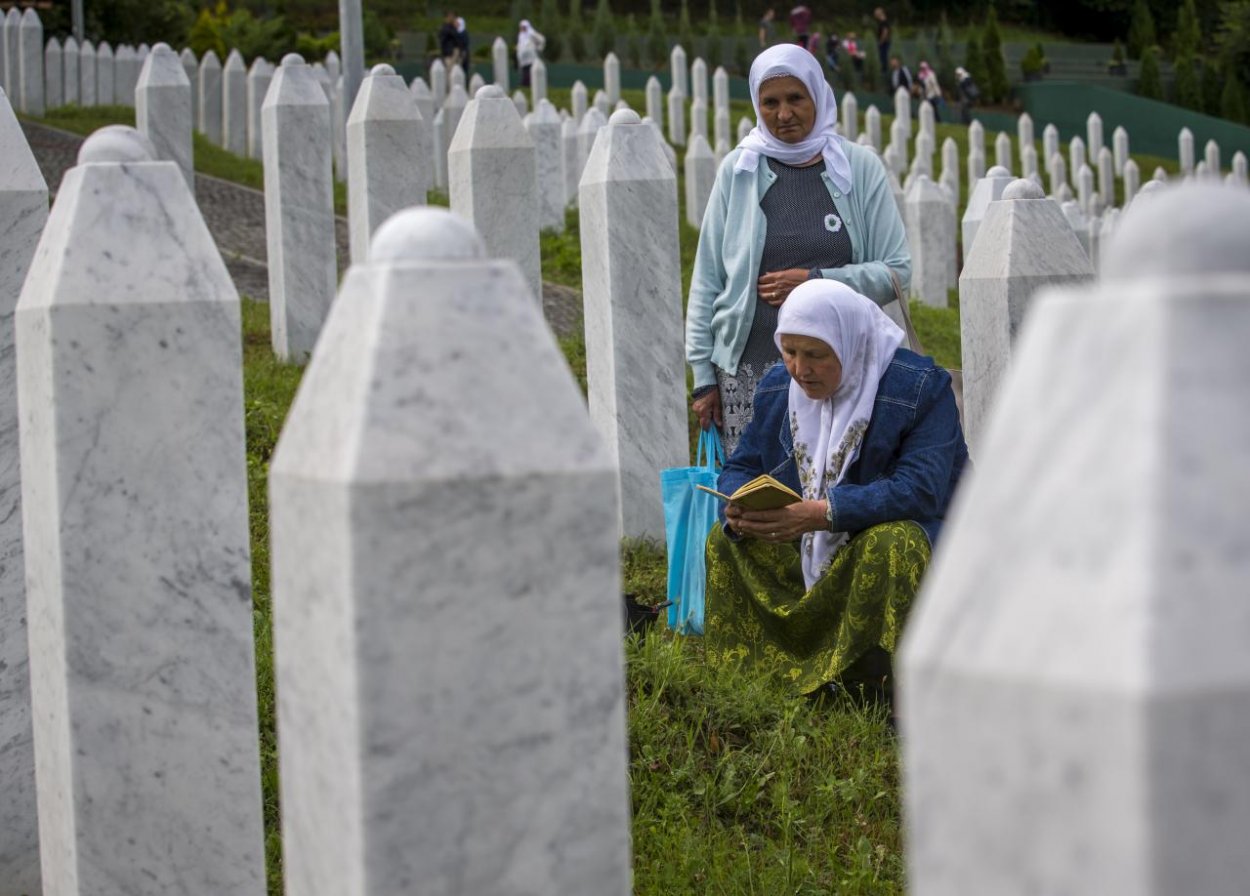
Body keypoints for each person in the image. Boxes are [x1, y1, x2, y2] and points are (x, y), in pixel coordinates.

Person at [704, 280, 968, 698]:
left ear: (851, 343)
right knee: (726, 541)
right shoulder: (778, 387)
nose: (799, 369)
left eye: (816, 355)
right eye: (789, 351)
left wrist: (824, 513)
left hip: (897, 539)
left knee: (890, 545)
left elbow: (921, 489)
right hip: (805, 533)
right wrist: (739, 508)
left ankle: (880, 680)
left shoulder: (919, 388)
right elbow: (742, 465)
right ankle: (769, 673)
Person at [685, 43, 911, 454]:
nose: (783, 114)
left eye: (795, 99)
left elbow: (896, 272)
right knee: (757, 501)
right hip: (747, 375)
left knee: (832, 499)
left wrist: (815, 282)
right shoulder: (739, 171)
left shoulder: (858, 168)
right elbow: (708, 280)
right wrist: (703, 376)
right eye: (769, 102)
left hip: (843, 374)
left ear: (818, 96)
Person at [516, 19, 546, 87]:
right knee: (525, 73)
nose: (522, 29)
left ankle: (530, 85)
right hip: (523, 60)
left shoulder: (531, 34)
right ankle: (525, 86)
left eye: (524, 27)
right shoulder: (521, 36)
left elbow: (542, 40)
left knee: (530, 73)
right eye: (521, 27)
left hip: (531, 59)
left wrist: (539, 48)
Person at [874, 7, 891, 73]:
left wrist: (881, 42)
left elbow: (885, 32)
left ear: (880, 13)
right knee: (882, 57)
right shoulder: (882, 22)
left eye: (876, 14)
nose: (875, 16)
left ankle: (884, 72)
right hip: (884, 42)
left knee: (883, 58)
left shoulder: (884, 22)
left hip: (884, 43)